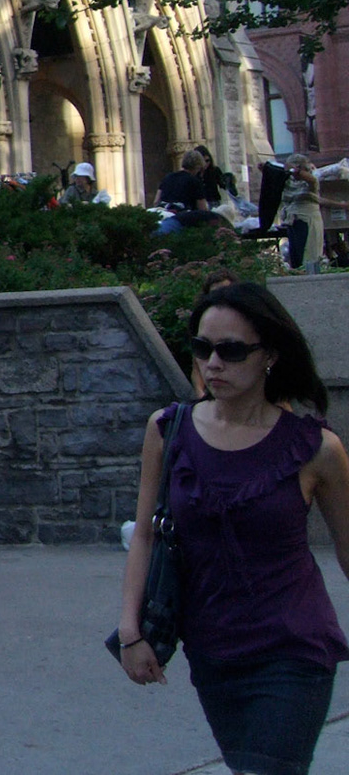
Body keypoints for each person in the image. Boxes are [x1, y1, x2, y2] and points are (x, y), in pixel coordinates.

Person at [117, 283, 349, 775]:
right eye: (203, 348)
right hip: (213, 651)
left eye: (232, 350)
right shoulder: (167, 430)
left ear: (270, 356)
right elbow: (146, 535)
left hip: (294, 649)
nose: (213, 363)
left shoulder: (316, 449)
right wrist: (130, 632)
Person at [280, 154, 325, 274]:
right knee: (297, 257)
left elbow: (311, 180)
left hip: (307, 221)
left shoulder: (310, 181)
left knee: (309, 254)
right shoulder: (288, 182)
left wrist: (297, 171)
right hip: (293, 221)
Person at [155, 150, 212, 234]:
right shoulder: (195, 181)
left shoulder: (168, 177)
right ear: (197, 166)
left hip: (163, 217)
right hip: (183, 222)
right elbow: (202, 209)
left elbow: (156, 201)